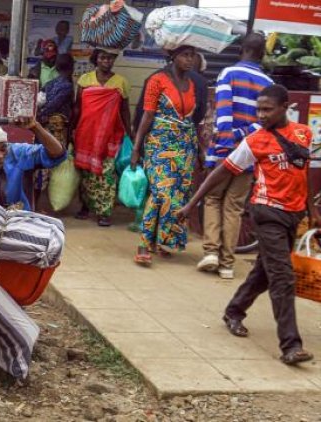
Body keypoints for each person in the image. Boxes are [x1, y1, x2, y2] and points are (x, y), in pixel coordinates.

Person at [178, 85, 317, 365]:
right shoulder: (255, 141)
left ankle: (234, 311)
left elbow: (301, 173)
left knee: (265, 273)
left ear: (285, 107)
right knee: (283, 277)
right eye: (259, 109)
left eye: (268, 109)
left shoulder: (304, 133)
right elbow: (221, 171)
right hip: (266, 213)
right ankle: (291, 345)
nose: (261, 115)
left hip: (293, 214)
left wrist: (312, 211)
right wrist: (191, 204)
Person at [198, 33, 274, 280]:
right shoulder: (267, 83)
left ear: (241, 49)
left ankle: (210, 251)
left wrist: (224, 149)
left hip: (224, 149)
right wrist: (243, 136)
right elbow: (263, 124)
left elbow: (224, 114)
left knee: (212, 198)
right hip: (249, 153)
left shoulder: (227, 74)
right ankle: (227, 264)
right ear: (262, 53)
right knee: (234, 207)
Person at [130, 45, 198, 265]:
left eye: (192, 55)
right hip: (159, 143)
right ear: (173, 56)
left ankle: (161, 240)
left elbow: (191, 119)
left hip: (185, 145)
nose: (190, 60)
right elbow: (147, 114)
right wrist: (136, 147)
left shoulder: (192, 83)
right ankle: (143, 244)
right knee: (161, 192)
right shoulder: (157, 80)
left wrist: (202, 151)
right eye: (185, 55)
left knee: (177, 195)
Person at [73, 48, 132, 226]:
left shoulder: (121, 82)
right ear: (96, 59)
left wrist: (131, 134)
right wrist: (71, 130)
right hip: (86, 133)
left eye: (110, 58)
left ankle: (104, 212)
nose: (107, 61)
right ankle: (85, 206)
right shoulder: (85, 79)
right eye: (103, 58)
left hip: (110, 135)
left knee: (107, 174)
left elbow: (124, 111)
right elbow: (77, 107)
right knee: (86, 174)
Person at [0, 117, 66, 211]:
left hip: (17, 219)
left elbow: (57, 153)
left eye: (3, 149)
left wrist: (35, 127)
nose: (0, 155)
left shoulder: (15, 153)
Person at [35, 54, 75, 211]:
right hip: (56, 130)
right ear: (71, 67)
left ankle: (38, 203)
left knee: (42, 164)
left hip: (43, 128)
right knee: (51, 165)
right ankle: (41, 205)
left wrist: (39, 117)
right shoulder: (67, 86)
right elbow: (53, 105)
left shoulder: (50, 83)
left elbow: (40, 101)